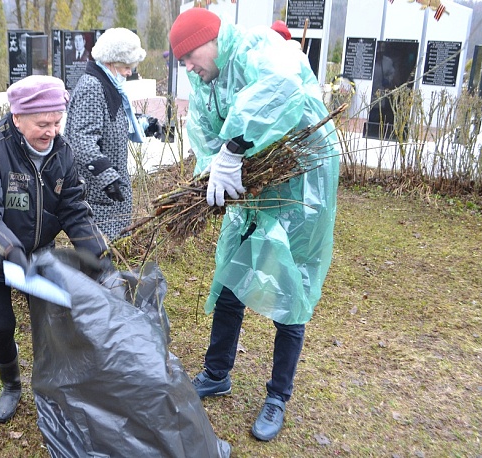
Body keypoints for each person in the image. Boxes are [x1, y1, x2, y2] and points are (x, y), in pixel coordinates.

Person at [168, 8, 339, 442]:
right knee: (231, 276)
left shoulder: (255, 48)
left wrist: (236, 147)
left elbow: (282, 87)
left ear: (210, 41)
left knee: (292, 286)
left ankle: (278, 395)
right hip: (248, 184)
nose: (188, 67)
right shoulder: (203, 78)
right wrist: (211, 169)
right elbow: (204, 129)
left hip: (300, 185)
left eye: (189, 57)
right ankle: (217, 372)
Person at [0, 75, 111, 423]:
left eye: (57, 122)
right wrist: (9, 251)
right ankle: (11, 384)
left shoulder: (63, 152)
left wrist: (98, 254)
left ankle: (54, 383)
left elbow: (74, 208)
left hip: (38, 252)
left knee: (50, 322)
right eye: (42, 123)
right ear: (17, 118)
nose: (52, 131)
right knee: (1, 324)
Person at [66, 28, 147, 240]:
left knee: (114, 252)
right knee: (102, 253)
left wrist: (146, 123)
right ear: (111, 62)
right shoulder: (92, 86)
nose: (129, 72)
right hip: (98, 195)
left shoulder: (107, 85)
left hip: (109, 193)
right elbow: (81, 139)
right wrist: (108, 178)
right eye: (126, 67)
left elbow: (112, 122)